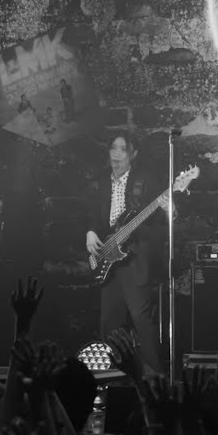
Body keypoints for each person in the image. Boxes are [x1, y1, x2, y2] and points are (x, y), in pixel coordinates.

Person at [85, 130, 167, 375]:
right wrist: (90, 232)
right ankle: (109, 375)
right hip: (109, 256)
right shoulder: (100, 181)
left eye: (123, 149)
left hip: (136, 257)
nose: (117, 154)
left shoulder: (146, 180)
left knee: (141, 317)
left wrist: (164, 212)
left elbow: (160, 225)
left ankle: (154, 376)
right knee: (109, 321)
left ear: (134, 154)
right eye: (113, 148)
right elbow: (92, 213)